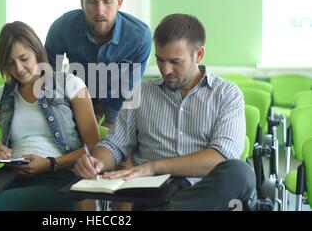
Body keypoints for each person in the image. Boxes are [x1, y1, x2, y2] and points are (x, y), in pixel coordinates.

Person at [74, 14, 257, 211]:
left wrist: (154, 166)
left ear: (199, 54)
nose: (166, 69)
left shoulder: (226, 94)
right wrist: (97, 162)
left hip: (204, 194)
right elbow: (114, 144)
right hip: (153, 194)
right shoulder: (142, 93)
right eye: (160, 60)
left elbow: (221, 157)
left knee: (240, 172)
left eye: (175, 61)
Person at [0, 21, 100, 211]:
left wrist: (50, 164)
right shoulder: (0, 96)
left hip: (60, 177)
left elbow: (94, 147)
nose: (18, 68)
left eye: (24, 58)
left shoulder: (70, 84)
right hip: (11, 178)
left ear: (37, 51)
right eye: (10, 63)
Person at [45, 0, 152, 128]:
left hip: (118, 105)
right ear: (82, 3)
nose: (100, 10)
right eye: (92, 2)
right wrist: (73, 114)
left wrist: (109, 124)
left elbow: (129, 88)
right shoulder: (61, 28)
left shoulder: (140, 36)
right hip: (74, 102)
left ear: (119, 2)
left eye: (107, 2)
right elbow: (51, 78)